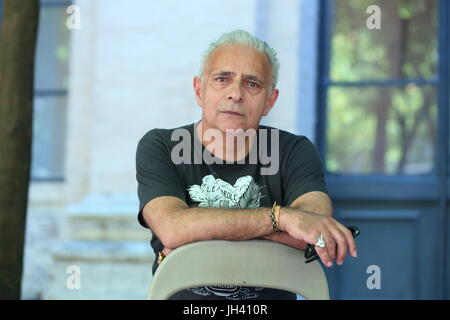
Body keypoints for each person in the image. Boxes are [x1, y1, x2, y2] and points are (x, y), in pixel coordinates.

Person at [136, 29, 357, 300]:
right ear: (199, 91)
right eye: (222, 79)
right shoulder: (163, 146)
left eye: (252, 84)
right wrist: (282, 218)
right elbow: (172, 229)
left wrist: (194, 237)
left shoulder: (294, 151)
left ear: (269, 101)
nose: (235, 94)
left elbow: (312, 233)